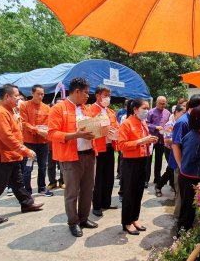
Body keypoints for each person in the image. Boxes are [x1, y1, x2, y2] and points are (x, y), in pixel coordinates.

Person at [0, 84, 44, 228]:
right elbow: (7, 137)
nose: (18, 98)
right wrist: (25, 150)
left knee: (17, 182)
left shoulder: (10, 111)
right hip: (2, 157)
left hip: (11, 155)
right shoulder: (0, 113)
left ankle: (26, 203)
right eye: (16, 96)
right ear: (7, 96)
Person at [48, 77, 98, 237]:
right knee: (72, 192)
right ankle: (73, 222)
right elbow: (52, 133)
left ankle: (83, 218)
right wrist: (75, 135)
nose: (87, 96)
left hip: (89, 154)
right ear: (76, 91)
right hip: (70, 157)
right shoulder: (58, 108)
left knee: (88, 189)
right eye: (85, 93)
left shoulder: (86, 109)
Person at [118, 98, 158, 235]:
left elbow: (143, 141)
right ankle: (127, 222)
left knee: (138, 192)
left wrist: (150, 140)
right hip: (130, 162)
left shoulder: (142, 123)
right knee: (129, 193)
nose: (147, 111)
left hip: (143, 160)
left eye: (148, 108)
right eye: (144, 108)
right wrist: (142, 141)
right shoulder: (127, 124)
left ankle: (134, 218)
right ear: (135, 109)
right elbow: (121, 145)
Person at [170, 94, 200, 218]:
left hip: (189, 165)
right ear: (194, 107)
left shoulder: (196, 119)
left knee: (188, 200)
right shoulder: (183, 122)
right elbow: (175, 145)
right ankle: (181, 226)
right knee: (183, 198)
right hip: (182, 166)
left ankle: (184, 222)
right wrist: (181, 166)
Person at [178, 106, 200, 231]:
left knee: (185, 208)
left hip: (184, 175)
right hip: (192, 179)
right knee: (188, 211)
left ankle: (182, 231)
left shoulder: (190, 135)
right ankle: (182, 236)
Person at [90, 85, 119, 217]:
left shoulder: (111, 112)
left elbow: (116, 126)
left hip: (109, 147)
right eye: (105, 95)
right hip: (97, 149)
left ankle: (106, 202)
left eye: (109, 95)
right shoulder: (90, 110)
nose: (108, 98)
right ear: (97, 96)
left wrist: (115, 132)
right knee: (98, 178)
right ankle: (96, 205)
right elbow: (89, 129)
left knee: (109, 177)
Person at [20, 85, 53, 197]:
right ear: (32, 93)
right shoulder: (24, 105)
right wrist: (37, 130)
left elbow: (49, 123)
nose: (40, 96)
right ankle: (27, 190)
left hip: (43, 142)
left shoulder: (47, 108)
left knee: (43, 166)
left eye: (42, 94)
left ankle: (42, 188)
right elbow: (24, 123)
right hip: (29, 142)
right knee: (28, 167)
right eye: (38, 94)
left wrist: (47, 131)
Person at [154, 104, 186, 197]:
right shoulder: (170, 124)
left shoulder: (180, 122)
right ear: (176, 112)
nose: (185, 115)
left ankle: (166, 186)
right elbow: (167, 139)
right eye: (183, 113)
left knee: (172, 170)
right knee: (171, 169)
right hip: (170, 150)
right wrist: (183, 140)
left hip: (178, 149)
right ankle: (159, 186)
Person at [145, 96, 171, 188]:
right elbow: (146, 124)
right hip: (152, 139)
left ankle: (157, 178)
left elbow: (169, 125)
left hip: (162, 140)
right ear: (156, 103)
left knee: (159, 160)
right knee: (148, 160)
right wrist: (155, 127)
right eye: (160, 103)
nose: (162, 105)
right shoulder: (150, 112)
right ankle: (146, 180)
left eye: (164, 103)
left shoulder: (167, 113)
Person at [47, 98, 65, 191]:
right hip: (51, 146)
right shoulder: (50, 116)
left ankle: (62, 181)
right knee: (50, 165)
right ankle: (52, 182)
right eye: (57, 104)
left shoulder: (65, 117)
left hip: (62, 145)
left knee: (62, 165)